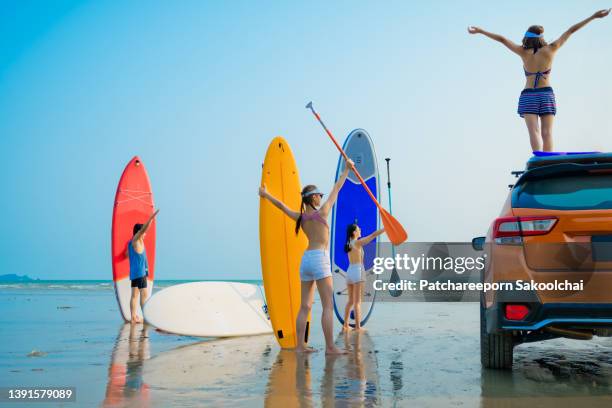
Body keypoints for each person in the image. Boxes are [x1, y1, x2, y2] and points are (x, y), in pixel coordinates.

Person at [468, 9, 610, 152]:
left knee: (534, 132)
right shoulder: (552, 48)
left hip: (528, 95)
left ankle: (539, 158)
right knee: (547, 133)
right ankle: (548, 160)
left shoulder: (522, 52)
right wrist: (593, 17)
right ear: (541, 37)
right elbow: (571, 30)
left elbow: (503, 39)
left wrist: (481, 31)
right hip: (546, 95)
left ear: (527, 38)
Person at [258, 159, 354, 354]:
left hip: (306, 260)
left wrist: (265, 194)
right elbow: (337, 187)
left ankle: (300, 346)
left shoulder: (300, 217)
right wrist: (347, 169)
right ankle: (329, 347)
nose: (321, 197)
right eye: (319, 194)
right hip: (319, 259)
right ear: (313, 198)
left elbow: (281, 206)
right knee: (327, 305)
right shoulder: (323, 212)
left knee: (305, 306)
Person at [342, 223, 385, 332]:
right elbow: (373, 236)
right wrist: (385, 229)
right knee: (357, 302)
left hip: (349, 272)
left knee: (350, 301)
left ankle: (345, 325)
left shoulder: (349, 243)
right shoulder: (357, 242)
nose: (360, 230)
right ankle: (357, 327)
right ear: (354, 232)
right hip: (358, 272)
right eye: (358, 229)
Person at [126, 209, 159, 323]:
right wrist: (152, 218)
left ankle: (133, 317)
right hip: (140, 273)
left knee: (134, 295)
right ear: (139, 232)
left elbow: (127, 255)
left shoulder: (131, 243)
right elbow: (144, 229)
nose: (145, 234)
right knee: (144, 295)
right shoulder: (137, 240)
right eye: (143, 232)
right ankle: (146, 318)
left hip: (134, 273)